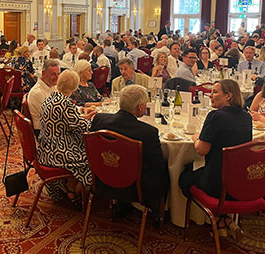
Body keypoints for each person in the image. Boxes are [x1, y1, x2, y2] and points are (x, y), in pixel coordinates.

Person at [179, 80, 252, 235]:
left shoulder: (216, 116)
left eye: (215, 92)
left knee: (184, 175)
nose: (210, 95)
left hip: (216, 184)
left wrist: (195, 137)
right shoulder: (247, 117)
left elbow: (201, 150)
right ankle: (223, 219)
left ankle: (199, 218)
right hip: (240, 181)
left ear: (228, 96)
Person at [90, 85, 169, 214]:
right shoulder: (148, 132)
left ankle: (121, 204)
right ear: (140, 107)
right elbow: (157, 165)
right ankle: (158, 214)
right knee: (167, 168)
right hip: (134, 188)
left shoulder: (99, 120)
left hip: (102, 179)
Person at [38, 70, 96, 203]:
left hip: (46, 148)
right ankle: (78, 191)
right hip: (59, 151)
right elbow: (83, 127)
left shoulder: (51, 98)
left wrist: (83, 117)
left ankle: (69, 185)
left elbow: (69, 121)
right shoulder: (65, 104)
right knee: (93, 158)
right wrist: (95, 120)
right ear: (75, 87)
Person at [27, 59, 60, 136]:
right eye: (53, 74)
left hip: (53, 126)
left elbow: (62, 107)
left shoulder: (52, 86)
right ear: (43, 73)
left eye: (58, 74)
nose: (57, 77)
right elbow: (53, 117)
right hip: (45, 133)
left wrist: (81, 110)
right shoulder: (38, 93)